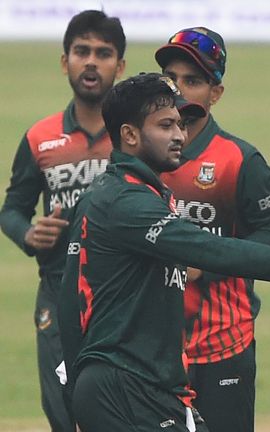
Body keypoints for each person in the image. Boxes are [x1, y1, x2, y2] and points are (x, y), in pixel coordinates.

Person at [61, 72, 270, 432]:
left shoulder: (132, 195)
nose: (179, 135)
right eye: (165, 125)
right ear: (129, 134)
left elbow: (70, 295)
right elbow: (213, 250)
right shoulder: (123, 201)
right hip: (125, 387)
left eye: (179, 124)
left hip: (150, 387)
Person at [153, 27, 270, 431]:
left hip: (222, 344)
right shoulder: (137, 156)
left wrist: (206, 263)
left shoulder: (238, 159)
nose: (178, 90)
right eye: (171, 79)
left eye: (193, 81)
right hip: (152, 347)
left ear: (216, 94)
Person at [0, 10, 125, 432]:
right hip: (58, 291)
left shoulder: (134, 135)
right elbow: (12, 209)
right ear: (64, 61)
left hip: (123, 295)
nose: (91, 61)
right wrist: (29, 233)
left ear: (120, 66)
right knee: (63, 413)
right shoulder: (40, 137)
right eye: (81, 51)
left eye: (103, 53)